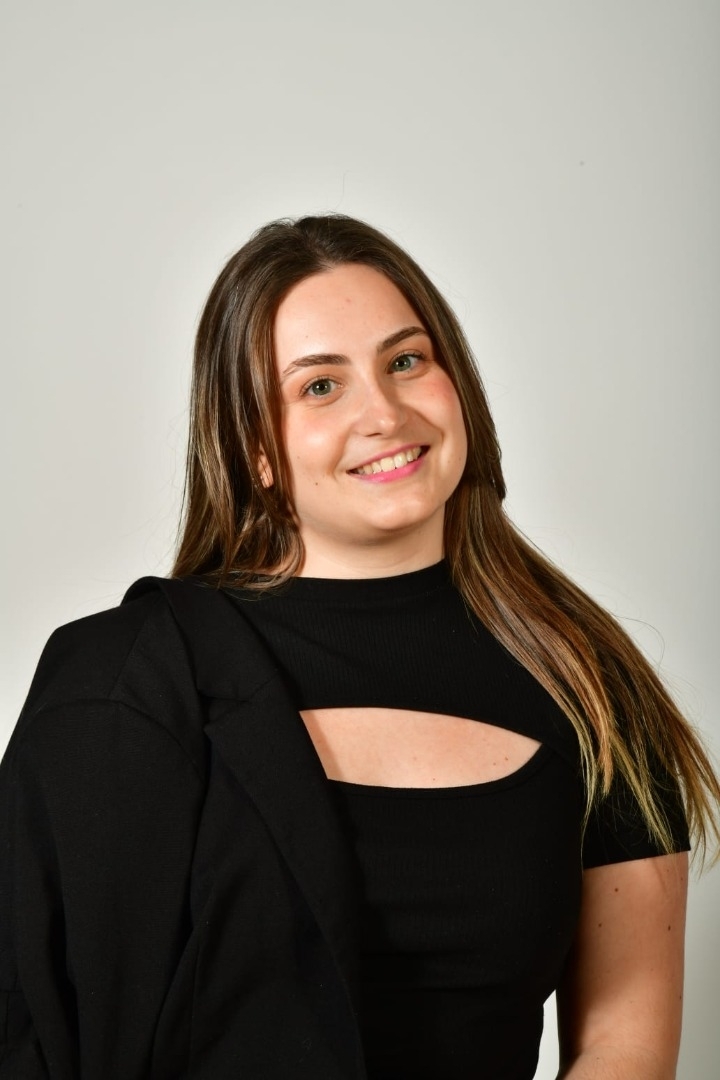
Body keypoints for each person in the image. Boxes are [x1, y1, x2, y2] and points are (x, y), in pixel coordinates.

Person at [1, 214, 718, 1080]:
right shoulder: (122, 682)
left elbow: (625, 1047)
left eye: (406, 361)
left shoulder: (592, 688)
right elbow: (32, 1031)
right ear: (255, 448)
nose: (384, 413)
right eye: (320, 386)